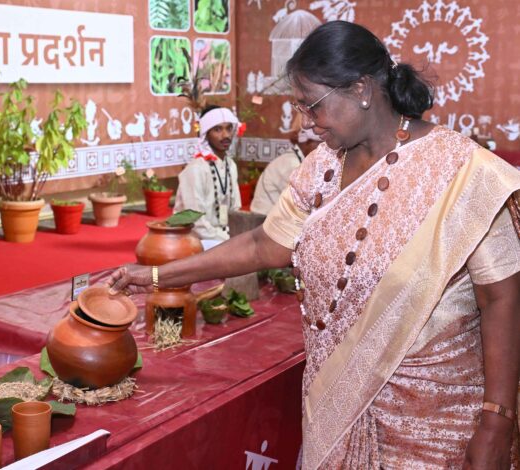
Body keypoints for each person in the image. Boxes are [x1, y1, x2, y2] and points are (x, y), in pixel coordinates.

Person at [107, 21, 520, 469]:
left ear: (362, 89)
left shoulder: (464, 172)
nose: (306, 123)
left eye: (312, 105)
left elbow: (502, 297)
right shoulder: (323, 166)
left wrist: (497, 421)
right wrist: (152, 276)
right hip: (337, 407)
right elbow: (265, 245)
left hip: (436, 421)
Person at [173, 105, 242, 249]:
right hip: (192, 239)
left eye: (229, 128)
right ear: (205, 134)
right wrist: (229, 240)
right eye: (217, 129)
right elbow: (197, 222)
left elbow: (235, 209)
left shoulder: (230, 165)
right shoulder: (195, 169)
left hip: (223, 237)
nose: (226, 135)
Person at [251, 114, 321, 216]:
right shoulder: (291, 163)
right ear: (308, 142)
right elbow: (302, 205)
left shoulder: (295, 158)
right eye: (319, 144)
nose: (323, 149)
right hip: (263, 221)